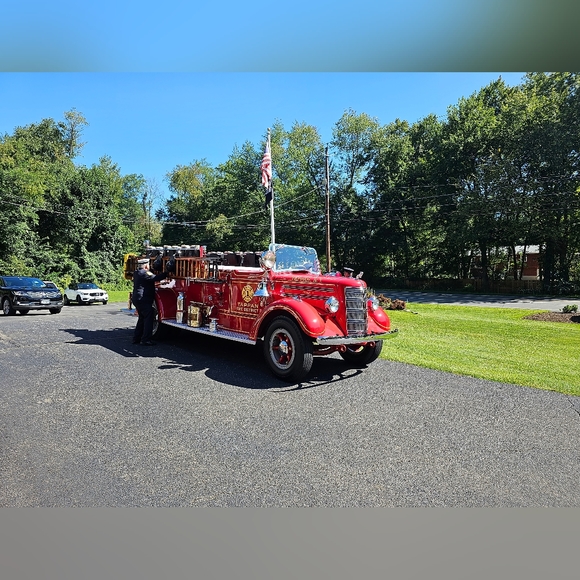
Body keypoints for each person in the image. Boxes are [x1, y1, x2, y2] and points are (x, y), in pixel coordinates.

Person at [132, 258, 169, 346]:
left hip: (137, 299)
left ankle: (136, 338)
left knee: (142, 318)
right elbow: (156, 278)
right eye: (148, 265)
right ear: (146, 266)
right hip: (144, 299)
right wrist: (167, 272)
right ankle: (146, 339)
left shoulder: (137, 272)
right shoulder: (145, 273)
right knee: (149, 318)